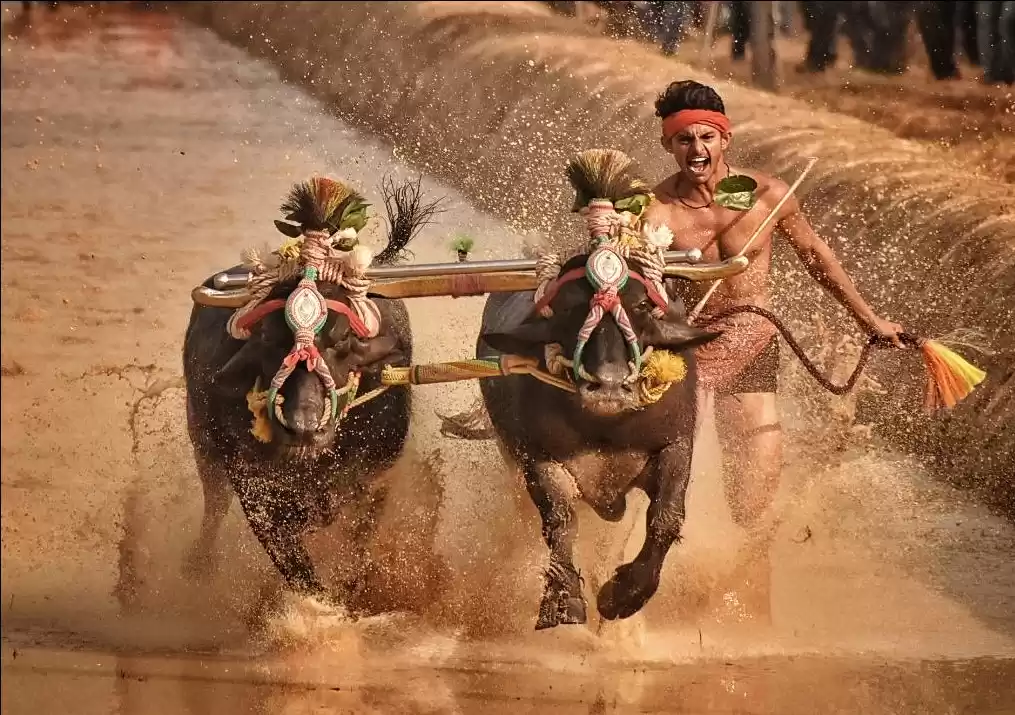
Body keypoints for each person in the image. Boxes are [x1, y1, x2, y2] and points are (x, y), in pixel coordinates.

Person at [642, 79, 905, 615]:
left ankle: (750, 611)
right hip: (676, 352)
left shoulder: (769, 196)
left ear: (726, 140)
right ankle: (651, 594)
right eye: (684, 140)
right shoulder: (653, 212)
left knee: (754, 497)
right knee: (654, 486)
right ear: (669, 146)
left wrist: (869, 319)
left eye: (707, 139)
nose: (697, 151)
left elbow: (817, 259)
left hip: (750, 344)